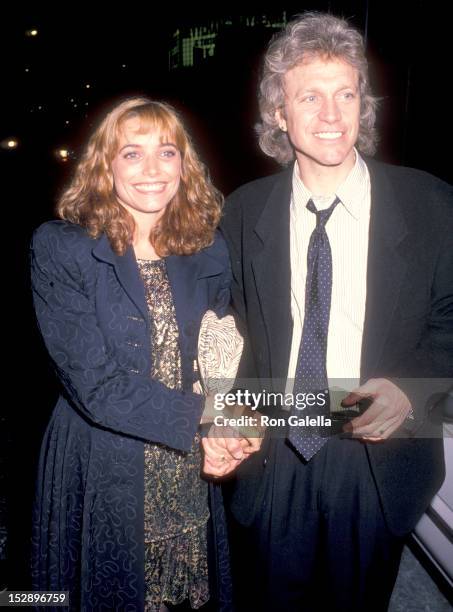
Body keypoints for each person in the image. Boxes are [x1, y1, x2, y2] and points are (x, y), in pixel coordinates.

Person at [203, 11, 453, 612]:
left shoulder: (429, 202)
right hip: (275, 452)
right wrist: (227, 418)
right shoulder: (243, 210)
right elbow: (235, 336)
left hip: (376, 455)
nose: (332, 115)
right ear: (279, 115)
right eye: (309, 97)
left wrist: (412, 391)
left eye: (346, 94)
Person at [30, 97, 245, 611]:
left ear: (184, 164)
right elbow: (96, 385)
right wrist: (211, 419)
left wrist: (229, 422)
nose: (152, 169)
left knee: (190, 595)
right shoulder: (62, 248)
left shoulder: (209, 247)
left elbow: (221, 350)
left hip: (190, 465)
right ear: (105, 165)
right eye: (132, 153)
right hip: (103, 459)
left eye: (166, 152)